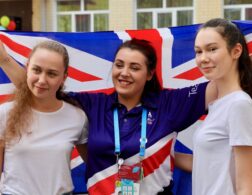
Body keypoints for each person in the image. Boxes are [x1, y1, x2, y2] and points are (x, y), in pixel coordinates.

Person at [0, 38, 217, 195]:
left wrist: (222, 52)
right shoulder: (92, 105)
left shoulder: (170, 104)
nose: (124, 73)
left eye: (135, 67)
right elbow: (42, 88)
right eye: (119, 65)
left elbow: (224, 85)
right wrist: (5, 60)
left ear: (150, 74)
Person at [0, 41, 88, 195]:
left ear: (64, 77)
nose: (42, 80)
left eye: (52, 74)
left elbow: (96, 166)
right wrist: (4, 59)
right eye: (36, 70)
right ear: (27, 69)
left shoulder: (77, 117)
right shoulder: (5, 113)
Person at [192, 18, 252, 195]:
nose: (203, 58)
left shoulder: (239, 104)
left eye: (212, 49)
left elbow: (245, 185)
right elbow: (212, 163)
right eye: (198, 51)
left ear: (236, 51)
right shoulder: (218, 105)